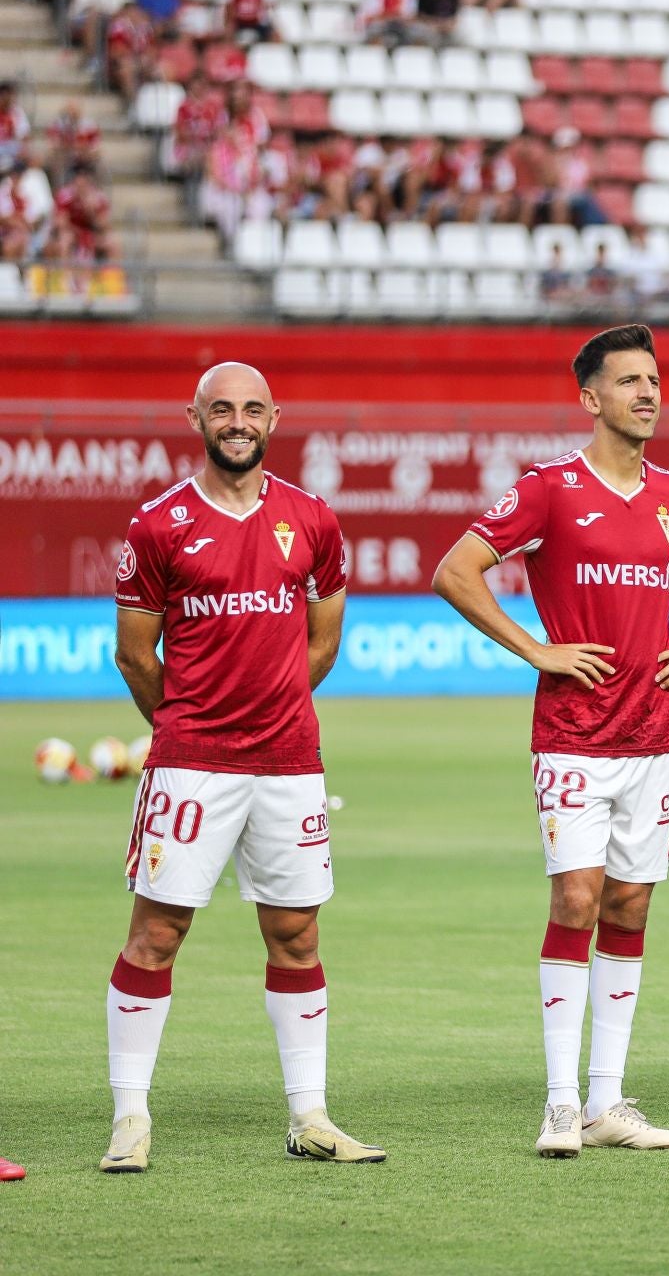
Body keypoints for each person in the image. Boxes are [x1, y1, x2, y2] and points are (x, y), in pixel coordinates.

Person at [432, 325, 669, 1156]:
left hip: (654, 736)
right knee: (576, 899)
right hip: (571, 736)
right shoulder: (550, 489)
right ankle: (561, 1103)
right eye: (629, 381)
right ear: (590, 397)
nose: (647, 393)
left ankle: (608, 1103)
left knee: (632, 903)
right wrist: (537, 649)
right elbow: (456, 569)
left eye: (654, 380)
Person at [104, 362, 381, 1173]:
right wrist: (191, 726)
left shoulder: (313, 520)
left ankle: (311, 1116)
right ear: (193, 416)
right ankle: (130, 1117)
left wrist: (273, 705)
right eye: (221, 408)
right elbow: (134, 655)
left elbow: (322, 642)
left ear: (274, 419)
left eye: (252, 409)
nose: (237, 420)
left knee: (296, 933)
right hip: (192, 764)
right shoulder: (157, 526)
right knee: (158, 931)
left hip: (290, 761)